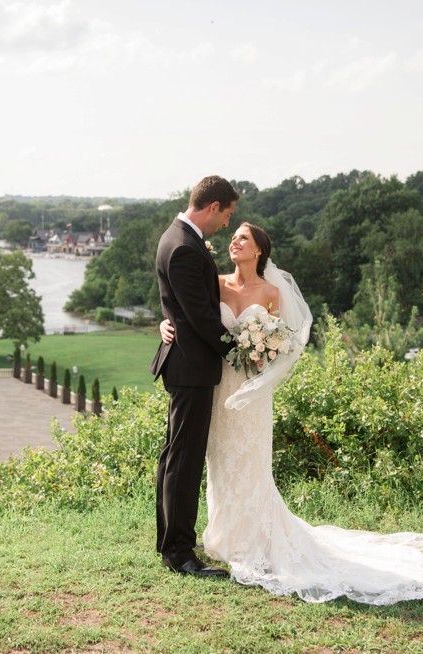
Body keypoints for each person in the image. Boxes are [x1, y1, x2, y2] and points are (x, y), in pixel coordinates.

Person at [159, 222, 423, 604]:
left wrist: (259, 350)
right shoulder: (215, 282)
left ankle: (252, 542)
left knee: (248, 462)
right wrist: (165, 323)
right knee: (220, 461)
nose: (235, 241)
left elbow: (279, 343)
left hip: (251, 390)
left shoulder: (270, 292)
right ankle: (222, 537)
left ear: (259, 250)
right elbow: (186, 306)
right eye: (234, 237)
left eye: (243, 238)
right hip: (219, 387)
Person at [150, 175, 240, 578]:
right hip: (191, 366)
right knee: (183, 458)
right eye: (227, 215)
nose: (226, 225)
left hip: (185, 361)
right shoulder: (185, 247)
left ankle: (171, 539)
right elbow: (200, 316)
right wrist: (238, 350)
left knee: (175, 454)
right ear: (212, 207)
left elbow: (178, 306)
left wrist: (168, 321)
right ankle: (180, 554)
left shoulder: (176, 238)